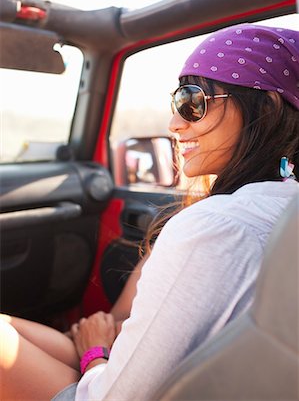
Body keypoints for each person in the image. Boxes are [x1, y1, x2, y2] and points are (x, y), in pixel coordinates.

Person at [1, 23, 298, 401]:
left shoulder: (215, 226)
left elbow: (112, 397)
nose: (175, 124)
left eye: (194, 102)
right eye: (177, 104)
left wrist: (96, 352)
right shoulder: (284, 207)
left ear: (267, 107)